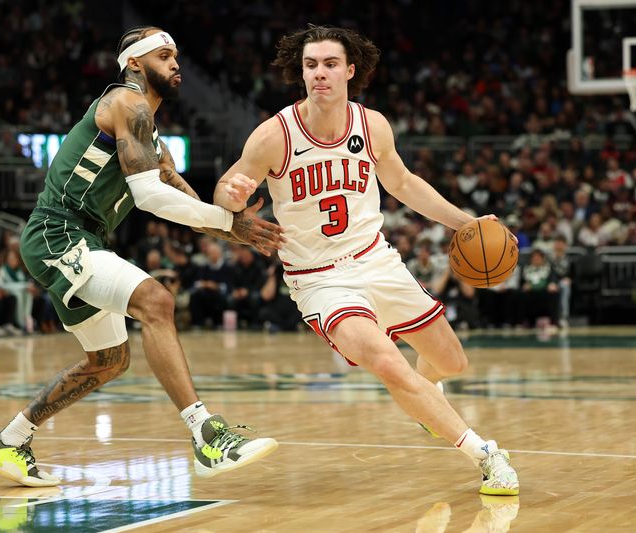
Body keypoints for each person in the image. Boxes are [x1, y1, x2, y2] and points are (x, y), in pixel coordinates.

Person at [0, 26, 283, 487]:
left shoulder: (152, 140)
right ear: (135, 63)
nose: (176, 62)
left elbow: (189, 207)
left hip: (82, 239)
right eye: (163, 54)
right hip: (59, 232)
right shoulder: (127, 102)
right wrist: (225, 223)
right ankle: (207, 438)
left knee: (110, 361)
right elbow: (149, 196)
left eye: (177, 54)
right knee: (156, 302)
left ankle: (10, 441)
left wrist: (239, 228)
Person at [214, 25, 518, 495]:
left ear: (349, 71)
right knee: (388, 362)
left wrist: (464, 222)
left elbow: (403, 182)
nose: (320, 74)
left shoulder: (371, 125)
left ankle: (426, 402)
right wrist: (230, 194)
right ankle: (487, 456)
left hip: (377, 260)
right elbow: (228, 187)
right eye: (311, 65)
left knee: (451, 362)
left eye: (330, 64)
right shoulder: (274, 135)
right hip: (319, 279)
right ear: (302, 72)